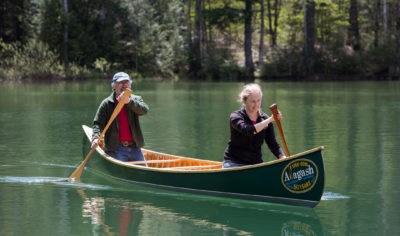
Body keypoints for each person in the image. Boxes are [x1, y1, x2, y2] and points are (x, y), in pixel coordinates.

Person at [223, 83, 286, 168]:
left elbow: (273, 144)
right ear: (245, 101)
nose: (256, 105)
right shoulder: (235, 117)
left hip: (256, 165)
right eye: (253, 101)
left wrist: (282, 157)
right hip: (234, 163)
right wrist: (271, 119)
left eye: (258, 100)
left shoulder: (265, 118)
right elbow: (248, 130)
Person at [91, 72, 149, 163]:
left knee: (144, 173)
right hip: (116, 148)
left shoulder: (135, 99)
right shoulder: (107, 103)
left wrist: (129, 102)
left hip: (135, 147)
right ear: (113, 85)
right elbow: (98, 124)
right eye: (120, 83)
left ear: (130, 84)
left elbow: (144, 110)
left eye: (126, 82)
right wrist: (95, 138)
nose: (124, 85)